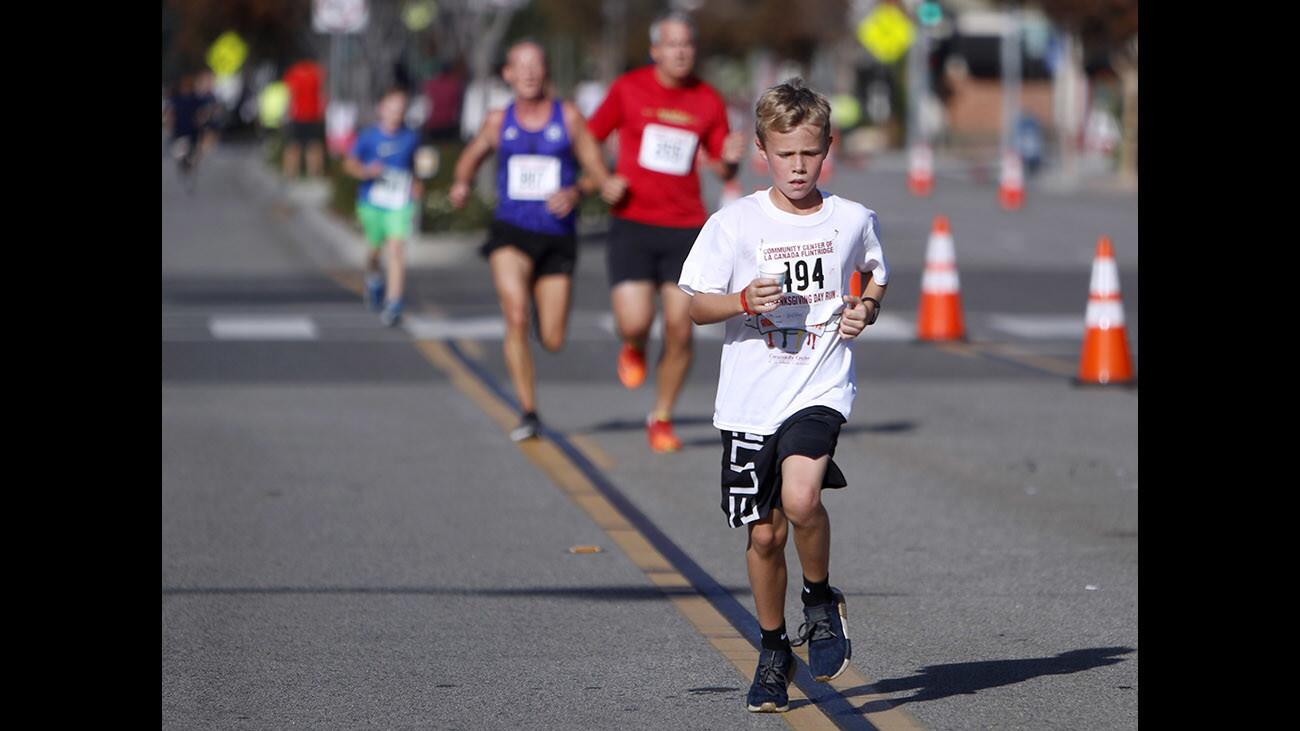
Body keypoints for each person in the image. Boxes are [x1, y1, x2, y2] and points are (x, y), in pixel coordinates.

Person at [676, 78, 889, 713]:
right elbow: (695, 307)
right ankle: (773, 649)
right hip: (748, 399)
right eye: (785, 153)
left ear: (829, 148)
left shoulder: (850, 219)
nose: (799, 167)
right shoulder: (734, 223)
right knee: (764, 536)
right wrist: (741, 300)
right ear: (762, 150)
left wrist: (865, 310)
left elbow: (875, 273)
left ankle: (819, 601)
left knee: (801, 500)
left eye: (810, 153)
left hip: (819, 384)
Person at [586, 11, 746, 453]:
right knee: (635, 320)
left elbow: (720, 163)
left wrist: (730, 158)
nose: (680, 51)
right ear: (655, 50)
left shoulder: (708, 100)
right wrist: (603, 180)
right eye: (671, 44)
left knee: (680, 328)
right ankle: (633, 345)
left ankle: (661, 416)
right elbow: (590, 135)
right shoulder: (628, 88)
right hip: (633, 222)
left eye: (687, 45)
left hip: (685, 226)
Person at [448, 41, 614, 442]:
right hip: (511, 231)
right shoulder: (496, 120)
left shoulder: (569, 117)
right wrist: (461, 184)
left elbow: (599, 173)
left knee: (553, 339)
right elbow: (470, 157)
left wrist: (576, 191)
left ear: (545, 72)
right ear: (507, 74)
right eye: (519, 66)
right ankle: (528, 411)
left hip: (557, 238)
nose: (528, 73)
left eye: (535, 65)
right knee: (515, 315)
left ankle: (539, 311)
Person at [344, 87, 423, 327]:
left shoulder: (411, 137)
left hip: (399, 202)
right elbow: (349, 164)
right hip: (372, 201)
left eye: (400, 109)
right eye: (391, 108)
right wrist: (367, 171)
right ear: (381, 108)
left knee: (397, 250)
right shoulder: (368, 137)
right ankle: (374, 278)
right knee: (375, 250)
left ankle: (394, 302)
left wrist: (417, 185)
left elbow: (417, 165)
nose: (395, 114)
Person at [283, 58, 327, 179]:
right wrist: (322, 112)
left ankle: (290, 173)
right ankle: (314, 174)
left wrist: (286, 112)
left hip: (298, 116)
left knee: (293, 146)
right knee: (313, 146)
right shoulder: (316, 72)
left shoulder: (293, 72)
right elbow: (321, 93)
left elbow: (290, 94)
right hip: (313, 115)